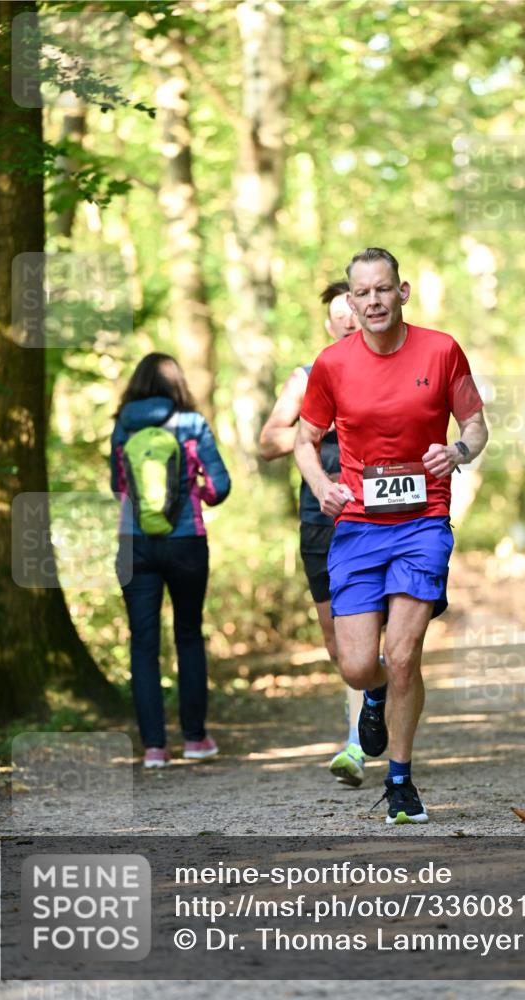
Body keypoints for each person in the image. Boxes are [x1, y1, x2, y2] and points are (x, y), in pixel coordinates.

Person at [294, 248, 488, 824]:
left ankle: (400, 781)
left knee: (403, 654)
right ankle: (372, 697)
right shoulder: (331, 364)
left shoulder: (441, 349)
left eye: (384, 290)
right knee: (359, 666)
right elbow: (305, 440)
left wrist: (454, 452)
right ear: (350, 302)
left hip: (423, 521)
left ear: (402, 292)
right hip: (356, 525)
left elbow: (476, 427)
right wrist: (322, 484)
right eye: (363, 293)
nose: (374, 301)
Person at [259, 281, 367, 787]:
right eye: (339, 313)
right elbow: (268, 441)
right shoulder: (307, 377)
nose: (348, 319)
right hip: (321, 516)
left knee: (373, 628)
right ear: (329, 324)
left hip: (382, 514)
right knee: (338, 642)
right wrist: (315, 428)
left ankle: (357, 741)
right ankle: (374, 697)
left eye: (355, 309)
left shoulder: (394, 371)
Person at [111, 353, 231, 768]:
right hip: (186, 543)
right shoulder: (191, 424)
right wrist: (196, 494)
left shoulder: (124, 424)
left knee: (143, 644)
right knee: (188, 635)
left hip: (134, 544)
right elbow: (220, 486)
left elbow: (117, 485)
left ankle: (154, 748)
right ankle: (195, 739)